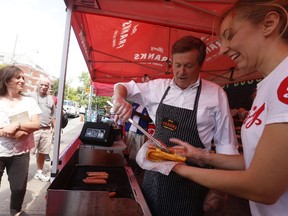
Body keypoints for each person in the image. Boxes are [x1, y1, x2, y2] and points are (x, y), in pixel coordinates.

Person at [170, 1, 288, 215]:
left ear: (269, 23)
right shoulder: (267, 85)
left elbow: (263, 186)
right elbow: (254, 162)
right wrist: (201, 156)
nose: (223, 49)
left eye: (230, 35)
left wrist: (176, 167)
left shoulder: (285, 81)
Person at [112, 35, 239, 215]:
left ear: (200, 65)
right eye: (177, 65)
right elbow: (123, 86)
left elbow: (226, 146)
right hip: (156, 176)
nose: (181, 72)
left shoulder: (216, 94)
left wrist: (219, 191)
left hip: (194, 179)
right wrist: (119, 98)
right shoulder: (158, 87)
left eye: (188, 65)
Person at [0, 65, 41, 215]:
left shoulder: (29, 102)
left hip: (20, 152)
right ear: (6, 79)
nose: (22, 80)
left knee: (18, 187)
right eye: (18, 77)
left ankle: (16, 211)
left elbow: (36, 124)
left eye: (23, 77)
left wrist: (16, 125)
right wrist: (7, 131)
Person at [29, 77, 56, 182]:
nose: (44, 87)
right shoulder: (30, 96)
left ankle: (39, 172)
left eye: (46, 85)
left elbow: (53, 115)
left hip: (47, 130)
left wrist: (55, 130)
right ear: (38, 85)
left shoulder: (51, 99)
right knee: (27, 153)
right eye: (42, 85)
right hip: (33, 130)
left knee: (43, 152)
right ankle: (22, 174)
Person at [124, 102, 151, 174]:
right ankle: (125, 164)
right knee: (126, 148)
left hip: (141, 131)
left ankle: (138, 168)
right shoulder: (135, 104)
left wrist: (137, 113)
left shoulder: (149, 106)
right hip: (130, 129)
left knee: (139, 150)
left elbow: (150, 119)